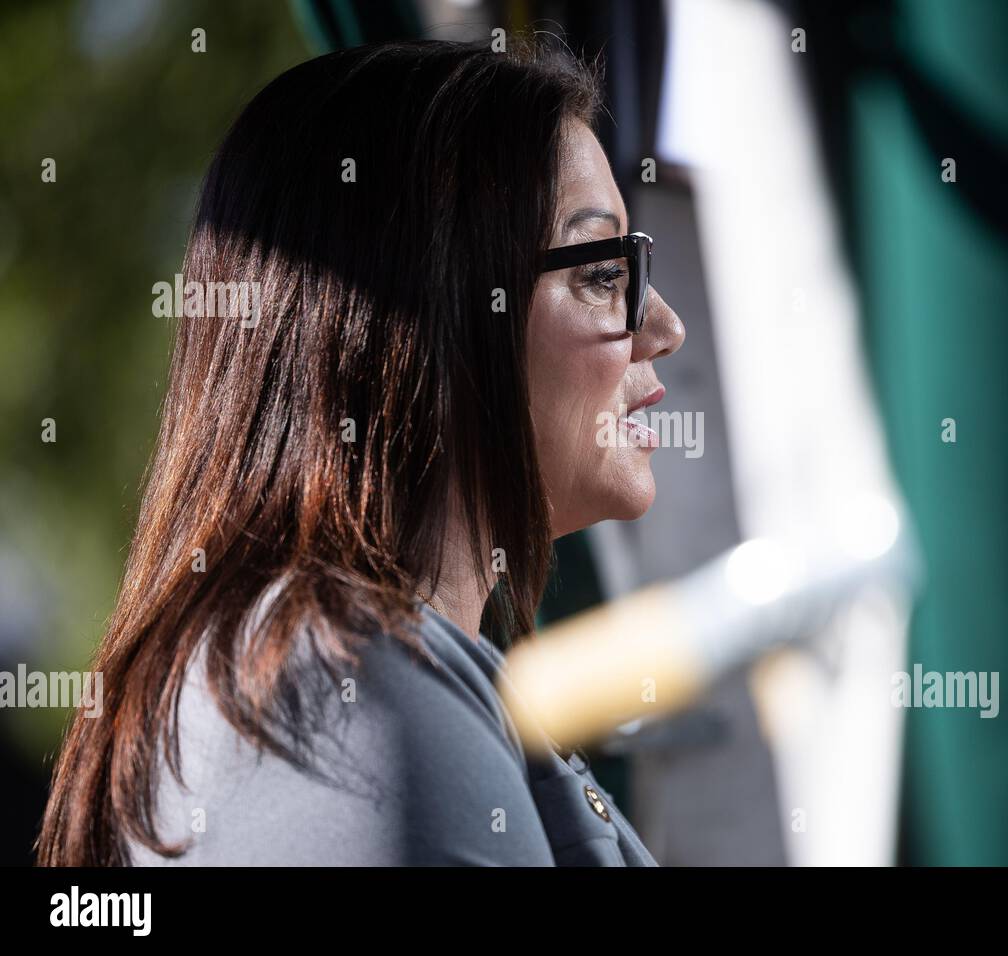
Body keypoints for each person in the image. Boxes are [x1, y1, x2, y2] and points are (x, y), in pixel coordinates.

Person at [38, 37, 684, 866]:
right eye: (603, 271)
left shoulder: (317, 671)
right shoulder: (348, 689)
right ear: (439, 309)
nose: (663, 327)